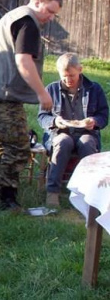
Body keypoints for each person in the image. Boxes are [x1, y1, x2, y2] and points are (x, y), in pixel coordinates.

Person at [0, 0, 63, 210]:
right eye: (50, 11)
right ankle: (7, 199)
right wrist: (42, 93)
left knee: (0, 142)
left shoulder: (13, 15)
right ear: (38, 2)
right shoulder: (28, 21)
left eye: (54, 14)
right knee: (19, 146)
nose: (51, 18)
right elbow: (24, 61)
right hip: (3, 92)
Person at [37, 53, 109, 207]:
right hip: (60, 133)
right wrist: (55, 121)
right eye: (64, 77)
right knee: (63, 142)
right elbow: (42, 116)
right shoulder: (51, 89)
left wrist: (94, 121)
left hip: (86, 132)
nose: (68, 80)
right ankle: (53, 192)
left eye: (72, 76)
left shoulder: (94, 89)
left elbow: (104, 115)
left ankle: (89, 193)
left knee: (88, 143)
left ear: (80, 70)